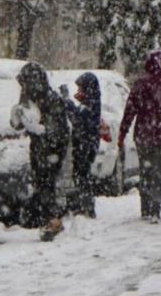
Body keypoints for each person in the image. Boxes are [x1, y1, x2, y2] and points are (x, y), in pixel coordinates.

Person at [118, 50, 161, 223]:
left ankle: (146, 206)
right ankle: (156, 206)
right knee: (159, 171)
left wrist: (123, 131)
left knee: (146, 170)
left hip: (144, 134)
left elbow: (130, 110)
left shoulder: (140, 85)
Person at [10, 62, 70, 241]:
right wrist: (19, 118)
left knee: (46, 183)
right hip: (38, 147)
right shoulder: (30, 99)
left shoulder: (51, 99)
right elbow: (20, 122)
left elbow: (57, 129)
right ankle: (50, 219)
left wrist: (41, 130)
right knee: (42, 183)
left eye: (26, 83)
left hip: (52, 148)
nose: (24, 88)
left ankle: (51, 221)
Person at [62, 73, 101, 218]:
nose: (79, 91)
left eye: (81, 88)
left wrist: (68, 103)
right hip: (87, 141)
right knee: (80, 173)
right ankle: (82, 204)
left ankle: (86, 206)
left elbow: (79, 116)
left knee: (82, 174)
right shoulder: (91, 100)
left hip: (86, 142)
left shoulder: (91, 103)